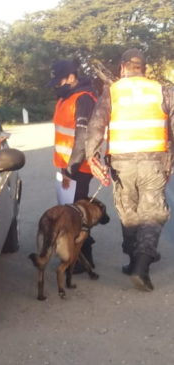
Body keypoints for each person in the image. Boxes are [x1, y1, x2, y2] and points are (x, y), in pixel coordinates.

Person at [85, 48, 174, 291]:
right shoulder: (163, 90)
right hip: (153, 162)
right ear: (144, 68)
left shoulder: (112, 92)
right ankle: (141, 266)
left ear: (123, 67)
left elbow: (96, 125)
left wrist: (92, 157)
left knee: (129, 211)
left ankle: (135, 261)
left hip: (121, 163)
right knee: (153, 212)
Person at [49, 59, 97, 273]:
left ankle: (81, 260)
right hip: (66, 168)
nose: (57, 85)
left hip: (78, 169)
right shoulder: (65, 98)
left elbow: (82, 137)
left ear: (71, 77)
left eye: (59, 80)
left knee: (78, 216)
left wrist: (72, 169)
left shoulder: (84, 98)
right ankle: (80, 259)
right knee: (73, 215)